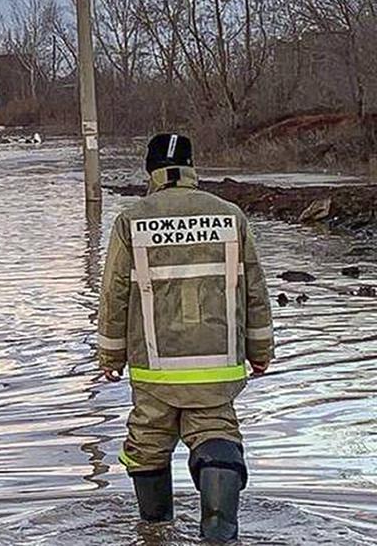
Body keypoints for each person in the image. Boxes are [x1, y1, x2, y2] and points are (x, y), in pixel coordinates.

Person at [97, 133, 274, 542]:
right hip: (217, 366)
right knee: (218, 437)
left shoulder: (132, 220)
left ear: (151, 171)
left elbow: (114, 294)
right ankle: (219, 533)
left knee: (147, 446)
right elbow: (255, 292)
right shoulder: (230, 217)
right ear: (193, 168)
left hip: (155, 369)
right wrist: (260, 351)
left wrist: (110, 356)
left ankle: (155, 531)